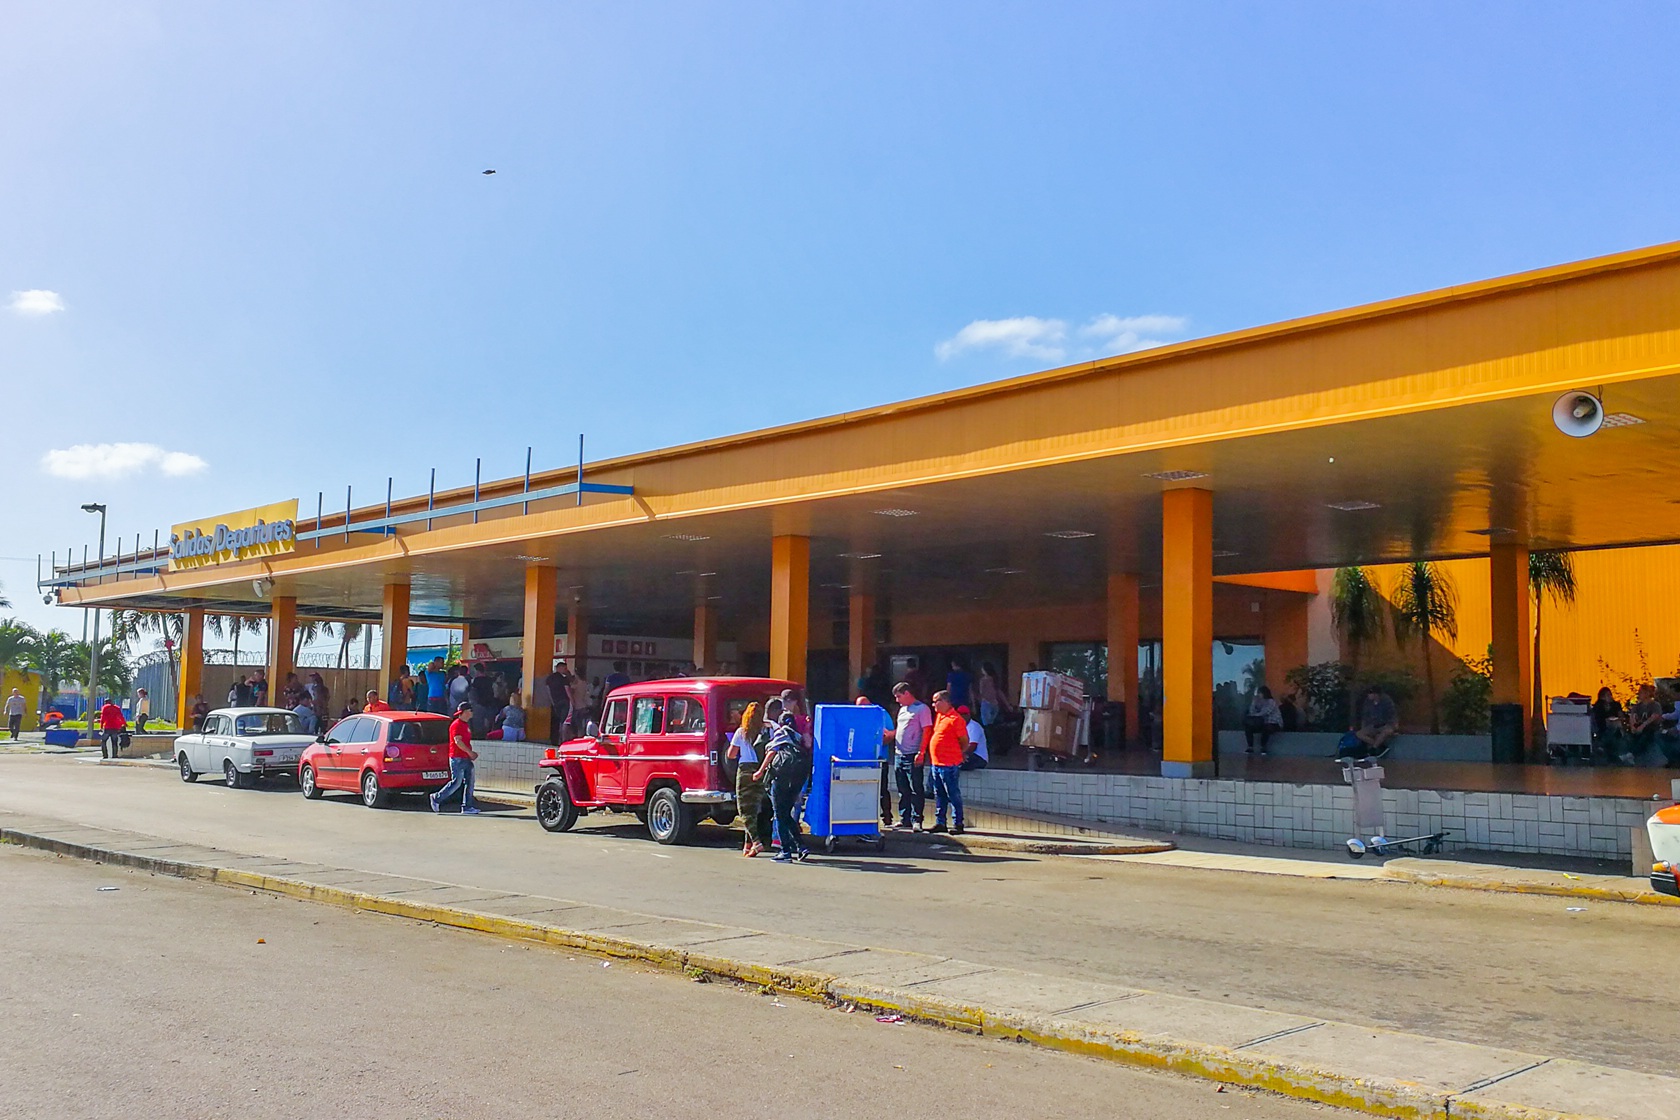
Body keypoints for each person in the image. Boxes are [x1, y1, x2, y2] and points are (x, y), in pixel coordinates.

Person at [755, 712, 811, 862]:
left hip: (781, 778)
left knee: (779, 814)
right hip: (796, 780)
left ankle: (785, 851)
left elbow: (772, 751)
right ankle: (801, 846)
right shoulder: (798, 737)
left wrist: (760, 771)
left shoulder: (782, 733)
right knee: (785, 814)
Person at [884, 682, 931, 831]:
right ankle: (905, 818)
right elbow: (901, 729)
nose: (897, 700)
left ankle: (917, 819)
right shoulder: (902, 709)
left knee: (916, 787)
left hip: (913, 754)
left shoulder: (922, 709)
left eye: (899, 696)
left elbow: (927, 730)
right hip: (899, 753)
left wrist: (921, 752)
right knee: (902, 788)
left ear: (907, 693)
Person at [922, 690, 969, 834]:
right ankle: (940, 822)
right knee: (939, 794)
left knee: (952, 794)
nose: (933, 705)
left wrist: (957, 753)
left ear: (945, 702)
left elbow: (964, 741)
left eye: (936, 701)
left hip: (949, 764)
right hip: (937, 763)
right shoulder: (939, 717)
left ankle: (958, 823)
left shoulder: (956, 719)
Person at [728, 701, 770, 856]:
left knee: (744, 809)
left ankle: (757, 842)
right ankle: (747, 845)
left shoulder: (741, 732)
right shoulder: (766, 731)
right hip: (760, 769)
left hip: (745, 770)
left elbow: (731, 754)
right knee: (753, 808)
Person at [431, 701, 480, 815]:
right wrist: (470, 752)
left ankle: (467, 806)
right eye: (470, 711)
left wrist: (469, 754)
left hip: (465, 757)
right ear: (465, 712)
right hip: (457, 758)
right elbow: (458, 741)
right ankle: (436, 797)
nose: (472, 713)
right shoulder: (456, 725)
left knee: (470, 782)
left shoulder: (465, 725)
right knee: (456, 782)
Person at [1338, 684, 1397, 761]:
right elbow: (1365, 716)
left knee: (1386, 732)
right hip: (1374, 725)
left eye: (1370, 694)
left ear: (1376, 694)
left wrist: (1392, 726)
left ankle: (1374, 748)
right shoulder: (1368, 702)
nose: (1368, 695)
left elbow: (1391, 715)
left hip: (1386, 724)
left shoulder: (1387, 701)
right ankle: (1378, 746)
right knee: (1359, 734)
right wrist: (1364, 727)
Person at [1625, 683, 1664, 766]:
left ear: (1647, 693)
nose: (1639, 694)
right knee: (1631, 735)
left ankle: (1632, 754)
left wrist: (1642, 726)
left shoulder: (1655, 705)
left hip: (1652, 728)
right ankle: (1630, 753)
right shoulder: (1637, 706)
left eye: (1641, 692)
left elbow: (1654, 717)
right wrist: (1632, 726)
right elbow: (1632, 716)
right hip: (1640, 726)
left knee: (1647, 735)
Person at [1243, 686, 1283, 756]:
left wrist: (1255, 715)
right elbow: (1252, 711)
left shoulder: (1271, 701)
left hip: (1274, 723)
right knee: (1248, 728)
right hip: (1262, 722)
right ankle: (1250, 747)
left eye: (1260, 693)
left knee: (1266, 728)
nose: (1258, 695)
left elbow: (1266, 712)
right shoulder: (1257, 702)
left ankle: (1263, 747)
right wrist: (1253, 703)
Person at [1590, 687, 1625, 763]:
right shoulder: (1598, 706)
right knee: (1611, 733)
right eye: (1608, 695)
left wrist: (1618, 718)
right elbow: (1598, 720)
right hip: (1602, 728)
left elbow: (1621, 716)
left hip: (1615, 726)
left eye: (1610, 695)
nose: (1610, 697)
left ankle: (1602, 747)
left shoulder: (1616, 705)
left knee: (1615, 727)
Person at [544, 661, 573, 746]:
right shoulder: (564, 679)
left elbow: (548, 691)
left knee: (557, 722)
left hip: (555, 703)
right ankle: (564, 741)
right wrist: (572, 701)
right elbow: (568, 691)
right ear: (559, 668)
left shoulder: (549, 679)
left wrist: (552, 702)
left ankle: (555, 740)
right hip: (565, 702)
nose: (566, 670)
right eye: (565, 668)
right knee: (565, 722)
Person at [976, 662, 1011, 727]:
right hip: (995, 704)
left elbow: (981, 692)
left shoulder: (983, 680)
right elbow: (999, 692)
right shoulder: (995, 679)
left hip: (986, 703)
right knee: (993, 724)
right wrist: (1007, 705)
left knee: (986, 724)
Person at [959, 704, 989, 771]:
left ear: (968, 715)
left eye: (964, 715)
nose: (962, 717)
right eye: (960, 715)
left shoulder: (974, 726)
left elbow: (972, 746)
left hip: (979, 757)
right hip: (966, 755)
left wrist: (960, 755)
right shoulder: (959, 726)